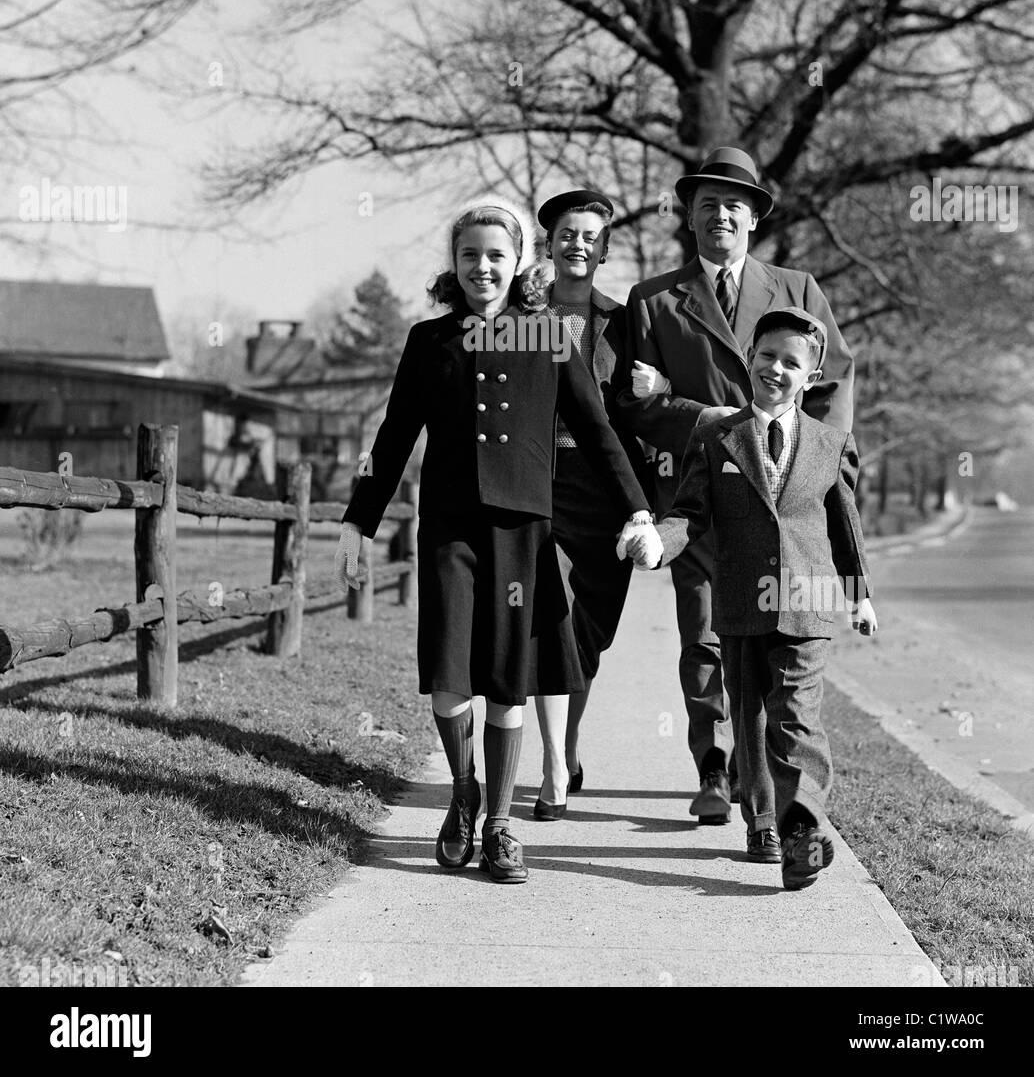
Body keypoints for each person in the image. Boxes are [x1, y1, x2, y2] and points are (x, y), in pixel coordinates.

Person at [334, 203, 657, 884]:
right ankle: (464, 793)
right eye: (470, 255)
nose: (483, 267)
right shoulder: (428, 343)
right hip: (450, 531)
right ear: (454, 264)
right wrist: (358, 522)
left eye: (496, 256)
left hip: (521, 534)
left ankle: (503, 826)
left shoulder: (550, 336)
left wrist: (637, 510)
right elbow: (394, 437)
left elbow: (598, 432)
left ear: (518, 264)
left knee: (511, 678)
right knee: (450, 679)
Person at [618, 147, 854, 826]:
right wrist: (705, 416)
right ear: (688, 217)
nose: (721, 215)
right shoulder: (654, 300)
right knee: (704, 639)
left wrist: (823, 462)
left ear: (753, 218)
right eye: (707, 204)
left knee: (781, 651)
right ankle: (713, 766)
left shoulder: (799, 290)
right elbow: (633, 405)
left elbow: (833, 382)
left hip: (782, 503)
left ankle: (774, 793)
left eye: (734, 204)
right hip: (701, 495)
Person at [622, 308, 878, 890]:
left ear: (811, 377)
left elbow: (846, 527)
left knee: (797, 715)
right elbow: (690, 513)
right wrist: (659, 543)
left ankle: (803, 829)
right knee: (751, 716)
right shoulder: (716, 435)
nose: (777, 369)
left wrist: (858, 595)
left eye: (792, 362)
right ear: (749, 360)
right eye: (767, 356)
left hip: (807, 605)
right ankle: (763, 822)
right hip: (737, 600)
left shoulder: (831, 442)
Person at [529, 189, 653, 818]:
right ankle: (552, 763)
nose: (578, 244)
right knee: (553, 614)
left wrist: (653, 387)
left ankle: (567, 744)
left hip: (606, 489)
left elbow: (645, 409)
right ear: (549, 243)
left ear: (605, 249)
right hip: (538, 480)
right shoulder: (520, 316)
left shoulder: (627, 321)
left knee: (589, 635)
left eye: (591, 236)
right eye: (566, 234)